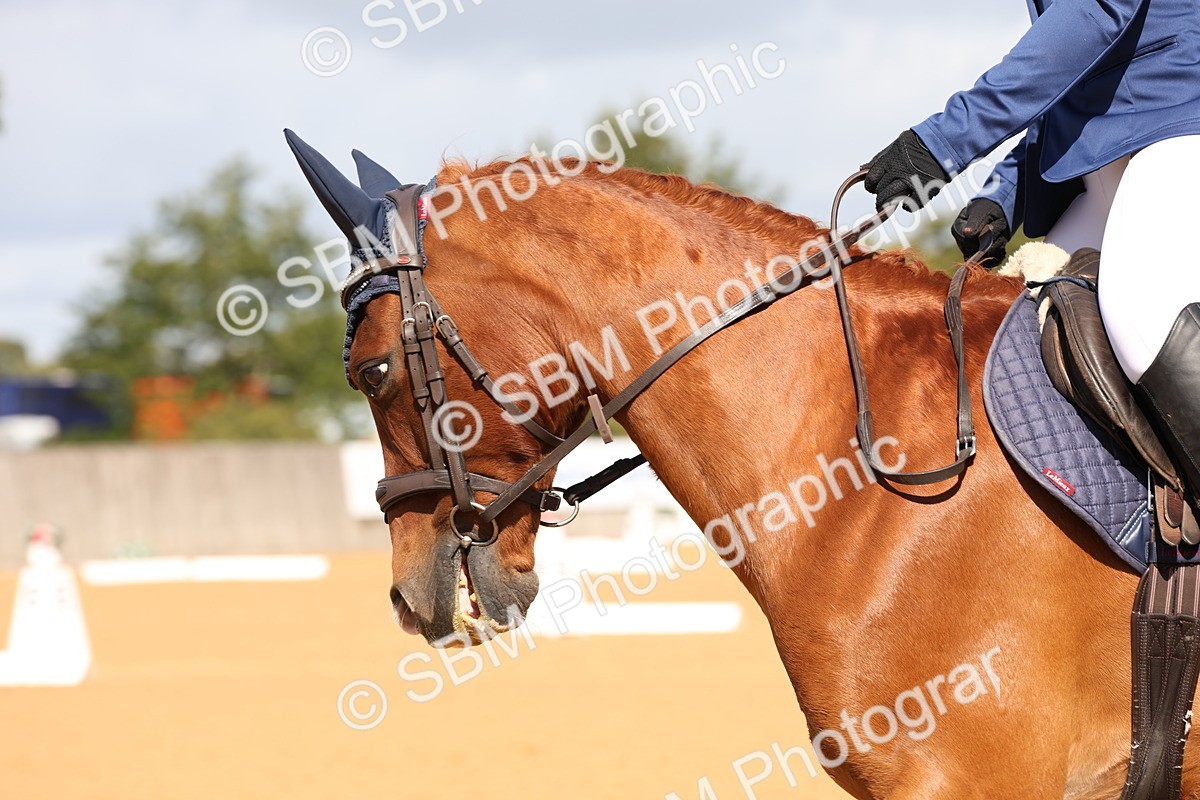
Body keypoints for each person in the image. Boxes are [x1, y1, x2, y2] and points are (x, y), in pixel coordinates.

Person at [862, 0, 1200, 512]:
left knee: (1140, 319)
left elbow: (1096, 15)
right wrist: (1007, 195)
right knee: (1016, 335)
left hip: (1176, 130)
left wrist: (944, 140)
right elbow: (1077, 73)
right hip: (1107, 172)